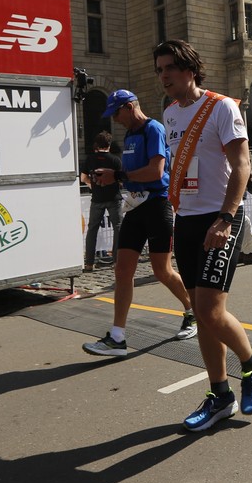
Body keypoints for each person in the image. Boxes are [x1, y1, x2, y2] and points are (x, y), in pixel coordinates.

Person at [155, 40, 252, 432]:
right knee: (201, 316)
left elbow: (242, 165)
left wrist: (226, 217)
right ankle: (220, 395)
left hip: (220, 219)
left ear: (190, 69)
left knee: (210, 311)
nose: (164, 76)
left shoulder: (222, 107)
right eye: (159, 69)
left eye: (170, 67)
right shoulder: (169, 113)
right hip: (186, 219)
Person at [83, 90, 196, 356]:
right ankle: (117, 337)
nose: (115, 119)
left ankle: (192, 311)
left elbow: (156, 171)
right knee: (122, 271)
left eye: (117, 113)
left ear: (130, 107)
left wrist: (117, 176)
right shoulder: (130, 134)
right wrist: (111, 176)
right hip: (135, 207)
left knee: (162, 271)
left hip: (157, 205)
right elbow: (130, 172)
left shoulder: (153, 129)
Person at [80, 131, 122, 273]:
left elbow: (83, 178)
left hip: (97, 199)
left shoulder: (90, 159)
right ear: (109, 144)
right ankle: (116, 261)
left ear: (96, 145)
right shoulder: (115, 160)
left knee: (92, 230)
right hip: (113, 198)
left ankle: (89, 263)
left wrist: (92, 185)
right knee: (118, 228)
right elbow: (121, 179)